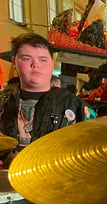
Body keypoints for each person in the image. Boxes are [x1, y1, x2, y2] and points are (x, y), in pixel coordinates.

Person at [0, 32, 93, 167]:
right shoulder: (3, 102)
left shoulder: (75, 106)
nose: (35, 65)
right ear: (14, 62)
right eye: (26, 59)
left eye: (43, 60)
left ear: (52, 64)